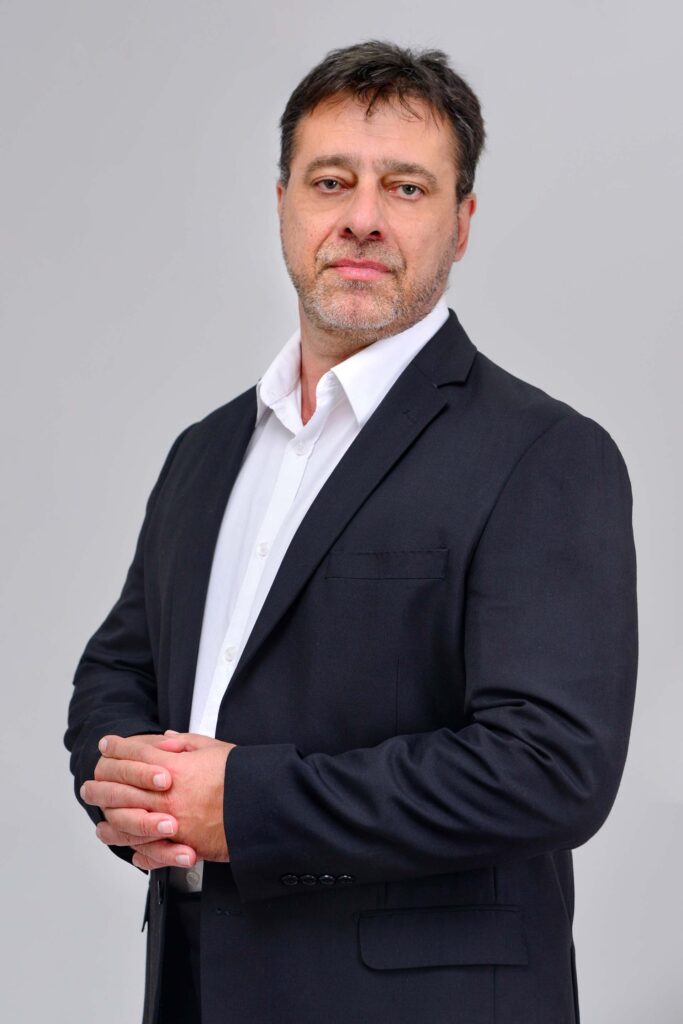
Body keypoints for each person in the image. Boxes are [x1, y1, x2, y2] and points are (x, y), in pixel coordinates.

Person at [66, 39, 638, 1024]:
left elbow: (549, 768)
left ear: (461, 222)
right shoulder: (205, 452)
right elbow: (119, 669)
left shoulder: (542, 453)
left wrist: (242, 804)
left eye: (405, 187)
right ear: (283, 203)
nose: (362, 218)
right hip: (197, 991)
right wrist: (139, 790)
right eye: (330, 181)